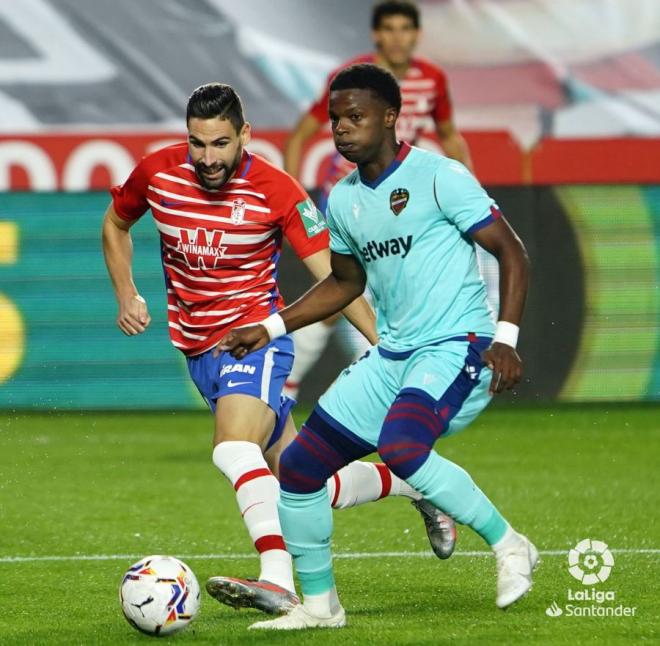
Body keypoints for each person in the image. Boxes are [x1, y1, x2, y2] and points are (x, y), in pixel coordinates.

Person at [102, 82, 458, 618]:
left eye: (221, 143)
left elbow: (337, 278)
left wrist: (387, 347)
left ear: (244, 134)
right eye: (198, 144)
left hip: (256, 340)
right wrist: (126, 292)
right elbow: (115, 224)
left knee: (230, 448)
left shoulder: (277, 189)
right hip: (199, 352)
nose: (208, 158)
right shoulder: (156, 173)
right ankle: (413, 482)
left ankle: (277, 578)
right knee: (303, 480)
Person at [220, 63, 536, 631]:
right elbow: (344, 284)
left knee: (402, 447)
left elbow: (512, 252)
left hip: (454, 345)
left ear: (391, 117)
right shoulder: (342, 200)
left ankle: (511, 544)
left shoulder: (442, 177)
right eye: (336, 119)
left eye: (356, 117)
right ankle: (320, 607)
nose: (342, 129)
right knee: (297, 469)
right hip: (393, 356)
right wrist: (268, 328)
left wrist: (506, 339)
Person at [283, 0, 473, 401]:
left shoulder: (432, 79)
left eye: (406, 28)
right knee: (343, 295)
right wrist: (298, 201)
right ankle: (298, 384)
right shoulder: (354, 80)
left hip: (398, 202)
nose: (398, 37)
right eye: (390, 28)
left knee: (370, 296)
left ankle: (305, 385)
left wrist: (470, 190)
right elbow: (301, 135)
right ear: (376, 34)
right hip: (348, 197)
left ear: (417, 35)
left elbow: (451, 135)